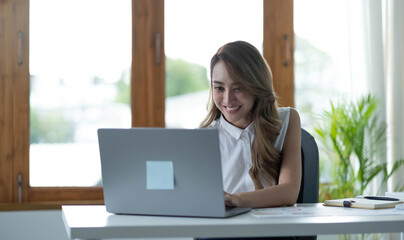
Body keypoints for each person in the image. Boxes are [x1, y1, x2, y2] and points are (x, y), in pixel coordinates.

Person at [200, 41, 302, 210]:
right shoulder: (203, 136)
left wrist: (236, 199)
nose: (227, 99)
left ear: (257, 86)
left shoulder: (287, 120)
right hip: (226, 230)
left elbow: (288, 192)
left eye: (238, 88)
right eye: (219, 88)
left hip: (273, 230)